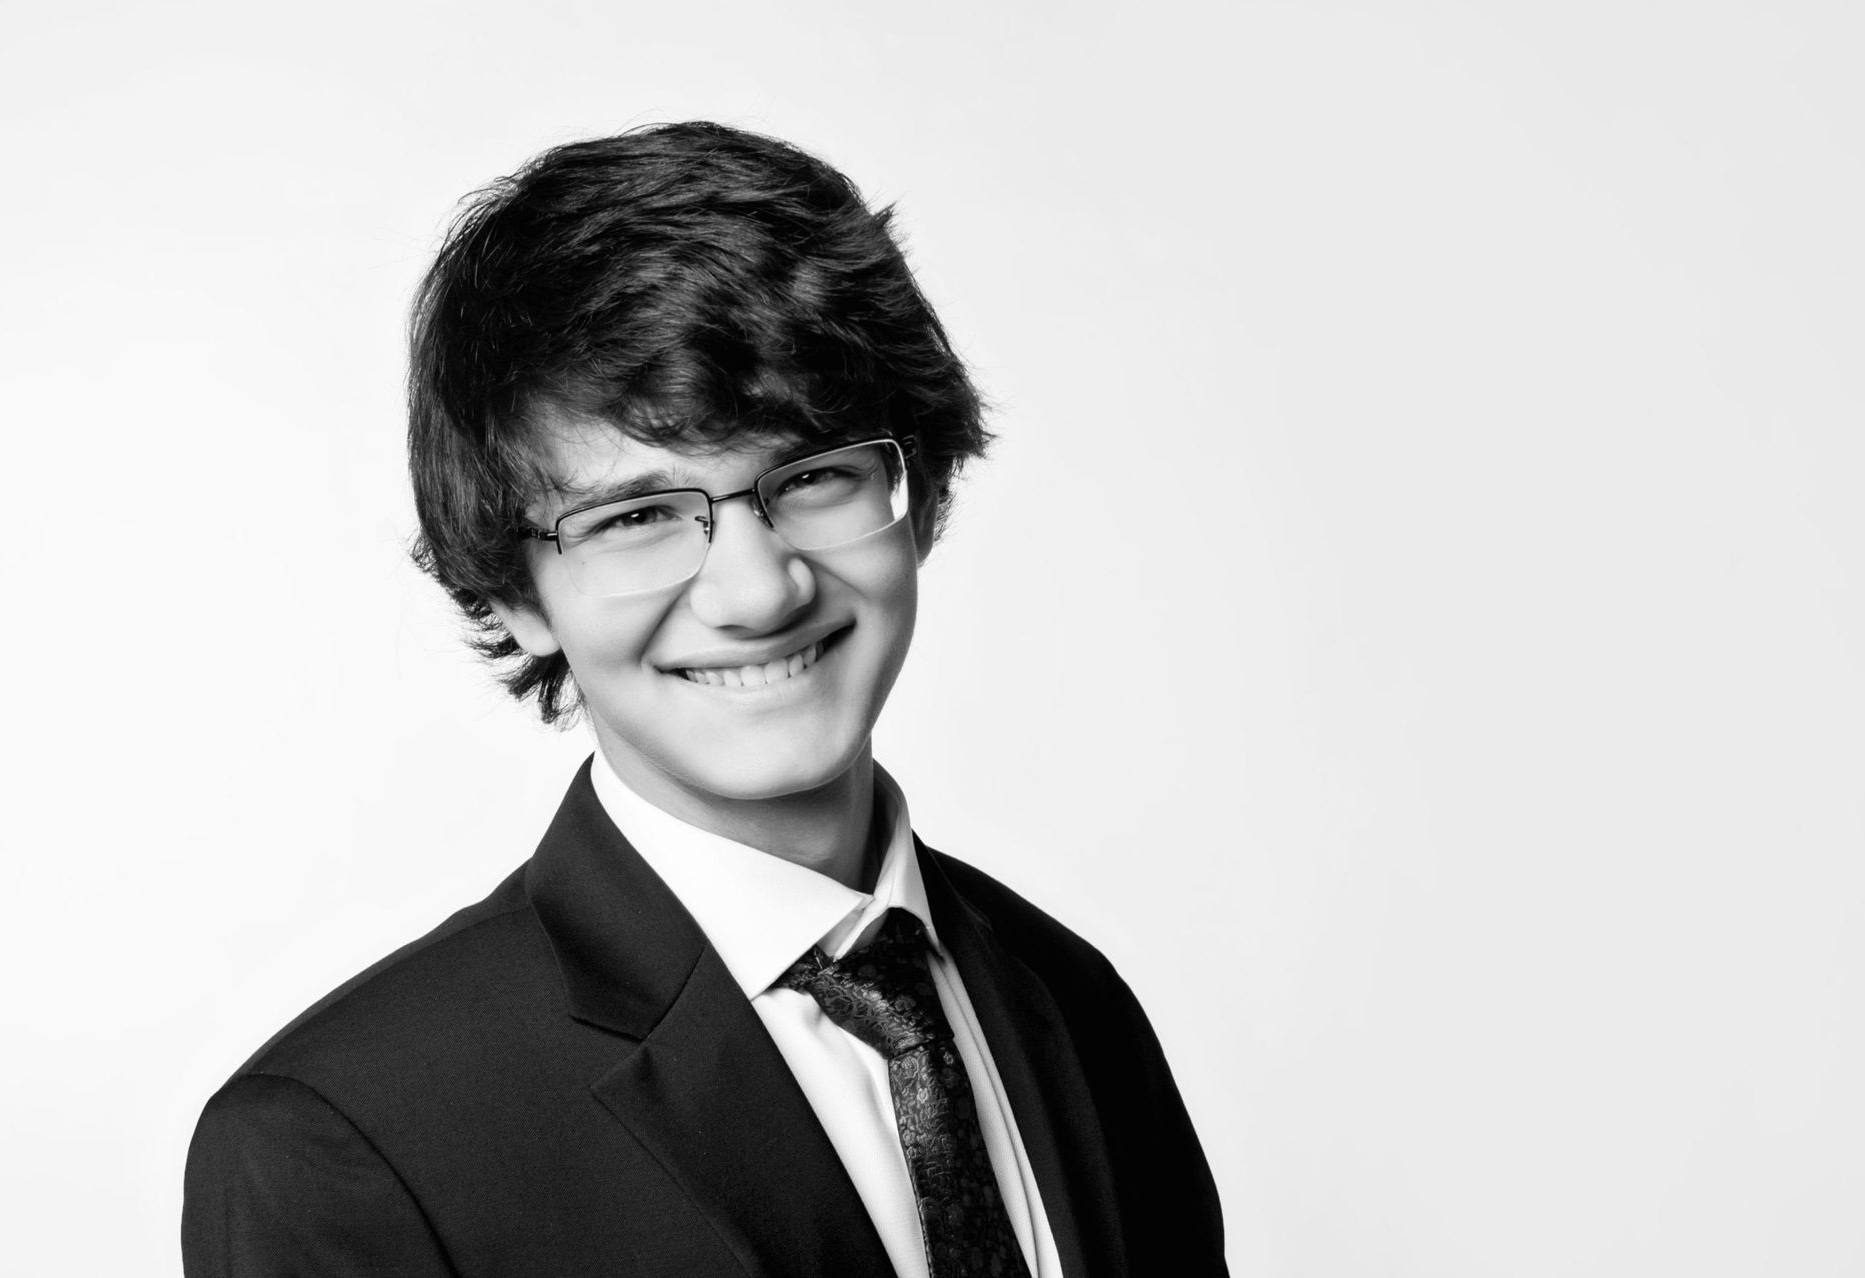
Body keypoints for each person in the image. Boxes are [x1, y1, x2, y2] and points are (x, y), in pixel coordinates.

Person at [182, 121, 1227, 1278]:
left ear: (917, 494)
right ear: (516, 593)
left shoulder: (1074, 1004)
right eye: (636, 516)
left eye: (815, 474)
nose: (758, 587)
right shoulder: (344, 1144)